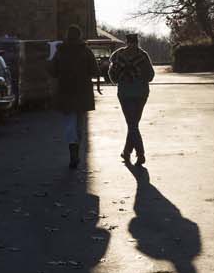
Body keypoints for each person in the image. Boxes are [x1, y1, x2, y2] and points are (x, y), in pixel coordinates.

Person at [49, 24, 98, 169]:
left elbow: (53, 71)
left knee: (70, 123)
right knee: (79, 123)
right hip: (83, 91)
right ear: (79, 36)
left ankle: (73, 151)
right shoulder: (86, 51)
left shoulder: (60, 51)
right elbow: (94, 70)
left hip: (66, 91)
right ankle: (77, 149)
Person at [108, 32, 155, 165]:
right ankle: (127, 152)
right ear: (137, 42)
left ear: (126, 42)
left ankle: (140, 154)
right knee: (133, 124)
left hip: (125, 93)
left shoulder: (118, 55)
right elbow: (150, 75)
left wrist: (121, 80)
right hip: (141, 93)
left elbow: (112, 75)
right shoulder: (143, 55)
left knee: (132, 124)